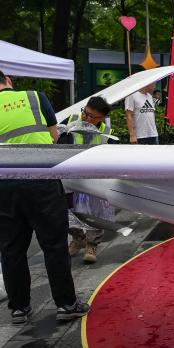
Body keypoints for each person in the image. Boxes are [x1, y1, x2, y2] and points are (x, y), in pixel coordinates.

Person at [0, 67, 89, 325]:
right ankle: (66, 305)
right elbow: (54, 136)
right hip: (42, 182)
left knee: (12, 250)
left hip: (6, 187)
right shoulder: (35, 98)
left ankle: (19, 308)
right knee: (54, 246)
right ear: (8, 81)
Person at [63, 96, 113, 264]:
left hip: (92, 177)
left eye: (91, 116)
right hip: (70, 176)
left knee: (95, 212)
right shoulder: (71, 121)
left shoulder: (106, 131)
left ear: (101, 118)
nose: (86, 117)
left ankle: (92, 245)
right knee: (66, 210)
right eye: (85, 112)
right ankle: (78, 238)